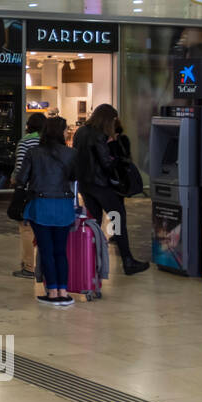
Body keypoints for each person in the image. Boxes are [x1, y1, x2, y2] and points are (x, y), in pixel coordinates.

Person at [74, 103, 149, 276]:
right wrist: (119, 162)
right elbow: (106, 163)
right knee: (118, 219)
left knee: (94, 222)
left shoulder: (81, 132)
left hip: (86, 185)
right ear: (108, 119)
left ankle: (89, 260)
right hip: (102, 186)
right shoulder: (99, 135)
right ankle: (128, 261)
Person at [18, 116, 78, 307]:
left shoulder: (34, 152)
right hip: (64, 206)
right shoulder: (71, 154)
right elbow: (75, 177)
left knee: (47, 251)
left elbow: (21, 178)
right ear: (62, 133)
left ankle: (51, 292)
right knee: (61, 251)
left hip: (40, 206)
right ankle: (63, 291)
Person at [10, 112, 47, 280]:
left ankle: (28, 266)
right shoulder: (48, 142)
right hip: (46, 190)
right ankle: (44, 265)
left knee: (26, 227)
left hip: (28, 190)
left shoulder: (25, 142)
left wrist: (16, 181)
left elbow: (20, 168)